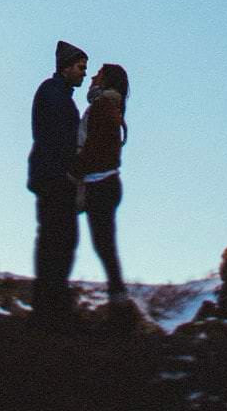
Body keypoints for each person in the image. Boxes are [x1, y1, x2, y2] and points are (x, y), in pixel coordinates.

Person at [26, 40, 87, 324]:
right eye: (80, 67)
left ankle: (51, 306)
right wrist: (65, 171)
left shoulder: (59, 94)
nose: (84, 73)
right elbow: (54, 137)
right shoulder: (53, 93)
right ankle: (50, 310)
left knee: (59, 240)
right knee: (56, 240)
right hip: (53, 178)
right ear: (65, 67)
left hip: (52, 176)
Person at [73, 63, 129, 305]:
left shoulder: (102, 106)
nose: (93, 76)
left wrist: (75, 169)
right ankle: (119, 305)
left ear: (105, 81)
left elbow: (95, 146)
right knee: (105, 246)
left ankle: (120, 309)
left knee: (104, 246)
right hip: (106, 183)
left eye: (98, 74)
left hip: (100, 184)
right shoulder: (110, 105)